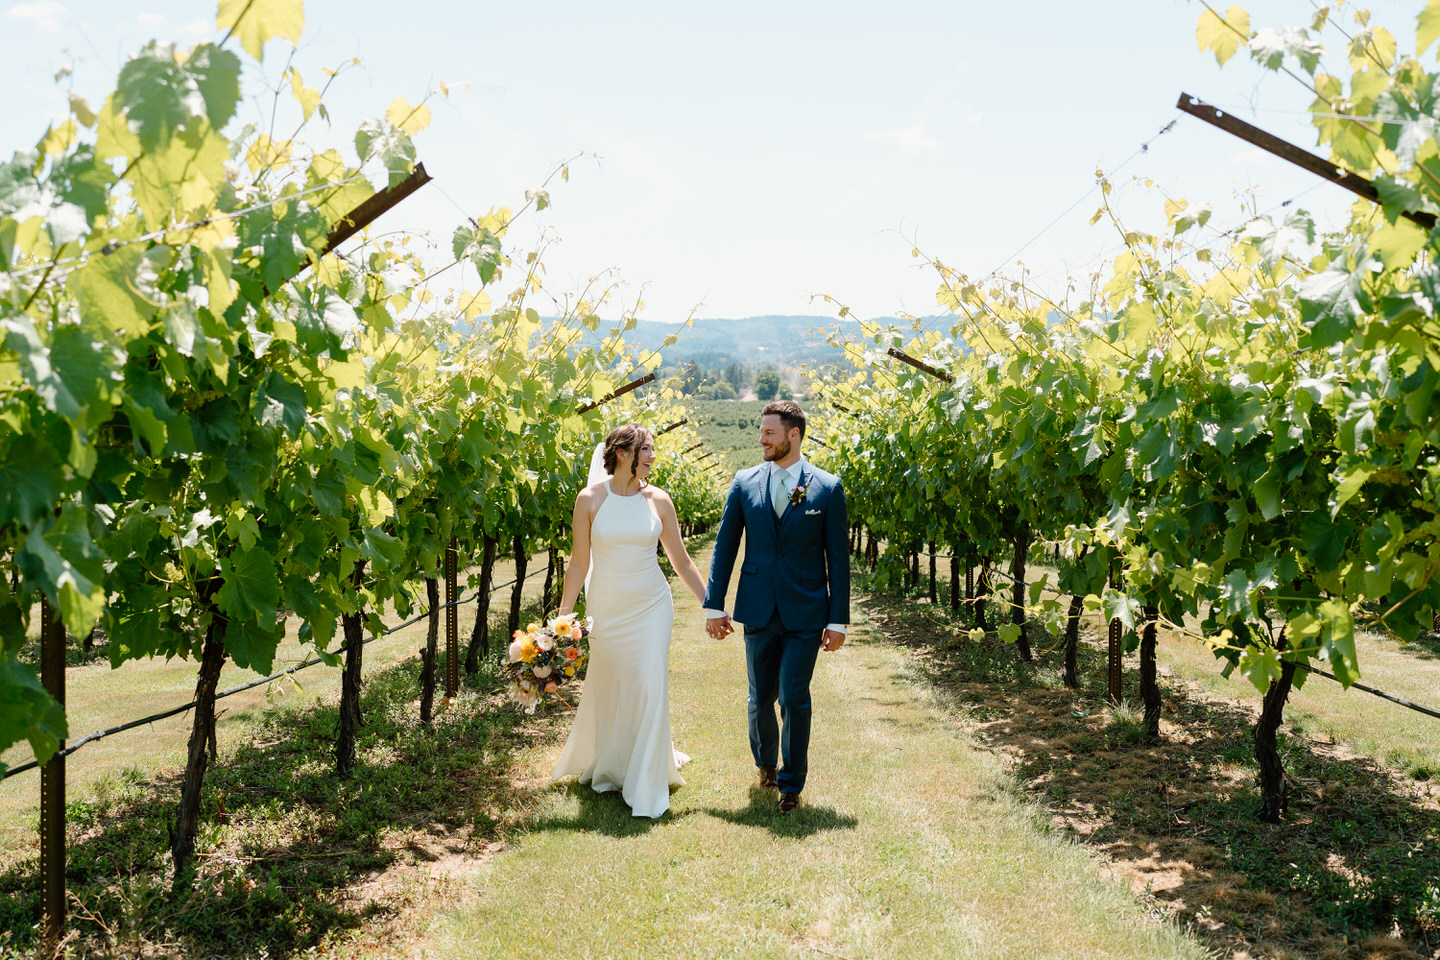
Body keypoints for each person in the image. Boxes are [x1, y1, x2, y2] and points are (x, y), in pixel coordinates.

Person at [551, 424, 709, 818]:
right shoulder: (589, 500)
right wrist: (563, 617)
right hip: (607, 609)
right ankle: (615, 764)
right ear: (623, 452)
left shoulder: (659, 500)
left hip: (652, 605)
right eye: (647, 449)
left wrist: (713, 604)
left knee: (648, 684)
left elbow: (681, 561)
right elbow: (579, 562)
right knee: (615, 684)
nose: (653, 456)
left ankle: (647, 781)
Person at [703, 400, 849, 814]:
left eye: (769, 432)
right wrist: (714, 605)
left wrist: (837, 619)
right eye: (761, 431)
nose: (761, 439)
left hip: (807, 611)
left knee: (794, 697)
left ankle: (791, 785)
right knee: (759, 697)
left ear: (793, 434)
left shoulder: (827, 487)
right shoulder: (744, 481)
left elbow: (838, 559)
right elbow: (724, 548)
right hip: (759, 606)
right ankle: (765, 765)